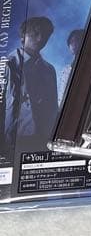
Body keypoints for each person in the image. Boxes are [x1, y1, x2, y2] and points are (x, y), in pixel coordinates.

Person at [3, 16, 58, 156]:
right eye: (35, 33)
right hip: (15, 138)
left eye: (45, 35)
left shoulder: (49, 69)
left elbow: (53, 106)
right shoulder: (8, 64)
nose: (40, 39)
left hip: (44, 138)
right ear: (23, 35)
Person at [57, 28, 84, 106]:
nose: (73, 44)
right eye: (71, 41)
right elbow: (61, 93)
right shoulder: (65, 70)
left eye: (77, 40)